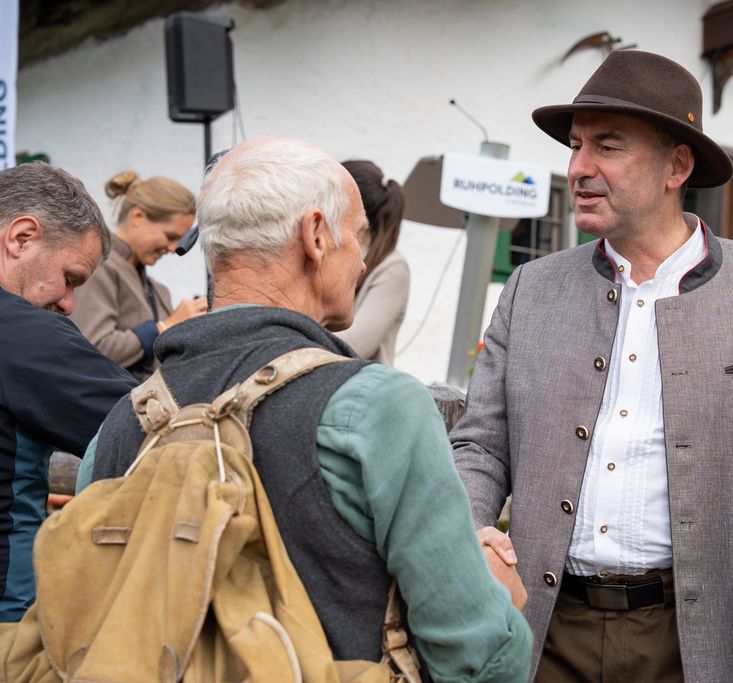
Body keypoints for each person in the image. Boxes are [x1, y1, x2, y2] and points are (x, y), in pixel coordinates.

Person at [78, 137, 532, 682]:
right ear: (316, 236)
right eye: (358, 236)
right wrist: (498, 595)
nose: (363, 259)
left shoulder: (120, 425)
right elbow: (477, 659)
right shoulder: (380, 408)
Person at [451, 50, 733, 682]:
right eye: (575, 147)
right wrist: (472, 530)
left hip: (707, 640)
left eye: (609, 147)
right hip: (546, 627)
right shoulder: (530, 289)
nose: (578, 169)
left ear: (676, 166)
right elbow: (481, 445)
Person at [0, 162, 136, 622]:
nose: (67, 304)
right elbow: (159, 425)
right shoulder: (20, 333)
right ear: (21, 238)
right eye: (71, 277)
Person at [70, 171, 206, 380]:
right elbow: (91, 350)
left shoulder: (157, 290)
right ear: (137, 216)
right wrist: (165, 326)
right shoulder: (99, 268)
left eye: (179, 241)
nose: (173, 249)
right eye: (170, 237)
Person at [334, 159, 410, 364]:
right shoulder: (333, 250)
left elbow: (357, 344)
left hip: (360, 390)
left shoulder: (392, 268)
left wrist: (292, 344)